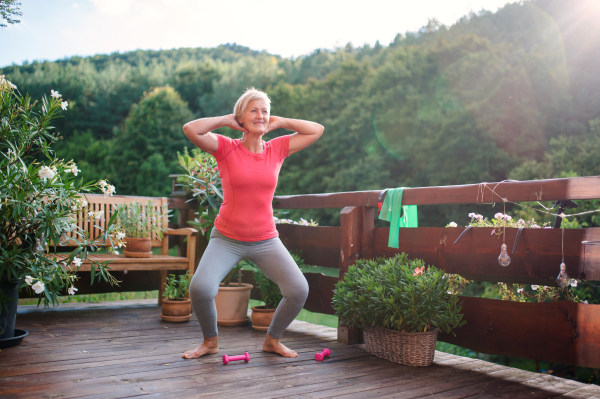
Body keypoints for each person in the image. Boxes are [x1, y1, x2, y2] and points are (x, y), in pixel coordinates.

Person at [181, 87, 324, 359]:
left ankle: (272, 340)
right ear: (242, 118)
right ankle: (210, 342)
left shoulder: (278, 148)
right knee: (200, 289)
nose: (261, 115)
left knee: (298, 290)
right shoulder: (226, 147)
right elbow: (191, 129)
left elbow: (316, 129)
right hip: (227, 238)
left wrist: (280, 122)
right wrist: (226, 119)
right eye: (253, 110)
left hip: (266, 239)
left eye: (265, 111)